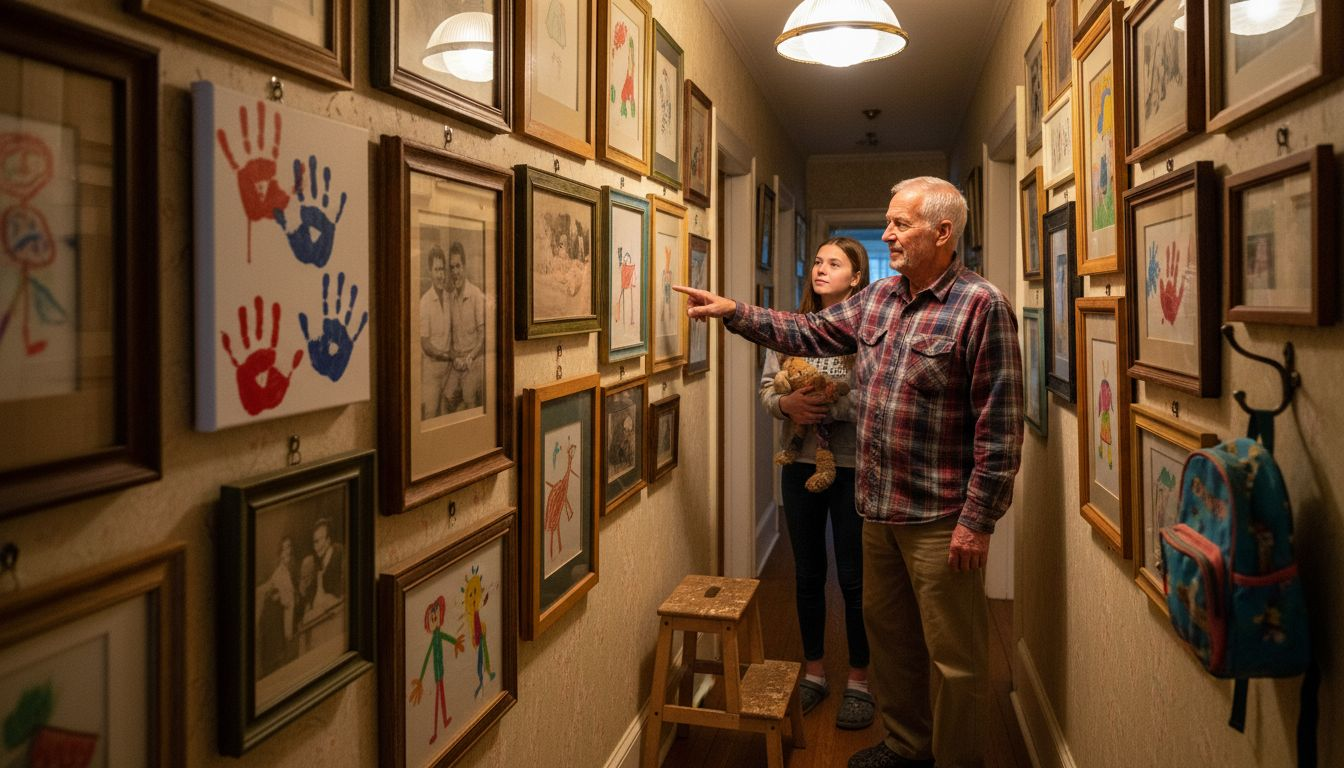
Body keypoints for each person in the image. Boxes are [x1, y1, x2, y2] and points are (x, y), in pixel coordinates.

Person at [676, 176, 1024, 768]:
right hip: (877, 510)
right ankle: (909, 746)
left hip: (940, 519)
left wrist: (977, 521)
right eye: (888, 222)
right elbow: (809, 331)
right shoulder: (880, 297)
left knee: (955, 660)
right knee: (891, 642)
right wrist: (735, 312)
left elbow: (1001, 425)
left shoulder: (982, 306)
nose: (887, 234)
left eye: (900, 224)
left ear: (943, 232)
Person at [758, 236, 873, 730]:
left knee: (853, 577)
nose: (821, 269)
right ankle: (814, 673)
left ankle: (860, 681)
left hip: (853, 469)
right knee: (807, 574)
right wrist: (787, 405)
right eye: (819, 262)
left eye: (835, 264)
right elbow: (768, 390)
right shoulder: (792, 330)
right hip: (798, 464)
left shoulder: (869, 333)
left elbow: (876, 399)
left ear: (856, 277)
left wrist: (829, 405)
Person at [441, 242, 487, 412]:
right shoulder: (450, 298)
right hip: (457, 363)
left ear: (464, 266)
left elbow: (482, 337)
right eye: (451, 267)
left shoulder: (476, 295)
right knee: (445, 398)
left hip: (474, 361)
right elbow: (451, 338)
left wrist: (470, 357)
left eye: (458, 266)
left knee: (468, 399)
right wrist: (455, 358)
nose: (455, 272)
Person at [419, 245, 452, 418]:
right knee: (430, 415)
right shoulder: (424, 302)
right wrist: (446, 355)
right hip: (431, 373)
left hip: (449, 371)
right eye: (436, 270)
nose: (440, 275)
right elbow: (425, 344)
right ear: (430, 272)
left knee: (446, 416)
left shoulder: (449, 297)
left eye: (442, 269)